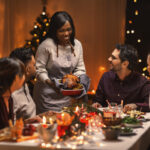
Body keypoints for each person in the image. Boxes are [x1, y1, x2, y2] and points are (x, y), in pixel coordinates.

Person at [33, 11, 90, 114]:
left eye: (69, 29)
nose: (66, 33)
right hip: (46, 96)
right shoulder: (46, 45)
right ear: (54, 31)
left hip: (66, 96)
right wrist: (50, 83)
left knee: (65, 123)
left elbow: (80, 68)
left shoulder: (77, 45)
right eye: (61, 30)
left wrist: (76, 80)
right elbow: (39, 69)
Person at [93, 44, 150, 112]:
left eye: (113, 58)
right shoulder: (106, 77)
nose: (109, 59)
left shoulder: (142, 82)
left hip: (132, 121)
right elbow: (98, 100)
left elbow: (148, 104)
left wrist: (136, 105)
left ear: (125, 64)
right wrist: (97, 104)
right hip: (109, 120)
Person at [9, 47, 36, 120]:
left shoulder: (24, 84)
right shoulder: (13, 94)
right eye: (34, 65)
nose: (36, 68)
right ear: (27, 69)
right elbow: (12, 127)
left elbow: (28, 117)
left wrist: (43, 116)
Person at [0, 58, 25, 129]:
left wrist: (27, 122)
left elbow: (8, 128)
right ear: (16, 77)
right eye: (23, 74)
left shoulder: (9, 97)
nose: (24, 78)